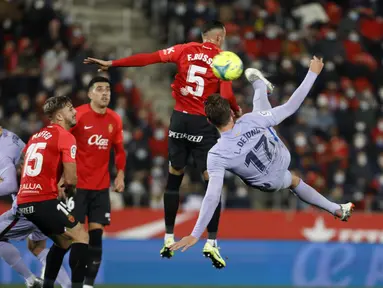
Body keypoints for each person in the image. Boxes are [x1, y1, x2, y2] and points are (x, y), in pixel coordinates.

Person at [84, 20, 242, 268]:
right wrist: (235, 110)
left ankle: (168, 238)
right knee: (212, 183)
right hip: (203, 125)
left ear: (202, 36)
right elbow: (227, 96)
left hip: (179, 122)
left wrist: (112, 64)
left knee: (174, 177)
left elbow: (147, 58)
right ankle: (211, 242)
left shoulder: (184, 50)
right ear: (220, 38)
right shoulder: (223, 58)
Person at [170, 57, 355, 253]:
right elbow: (291, 106)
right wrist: (312, 74)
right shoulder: (249, 120)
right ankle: (259, 84)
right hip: (282, 157)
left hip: (269, 183)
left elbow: (213, 196)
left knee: (291, 178)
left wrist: (195, 234)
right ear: (232, 113)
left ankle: (337, 210)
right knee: (261, 117)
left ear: (209, 121)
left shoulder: (216, 154)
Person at [17, 96, 89, 288]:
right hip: (43, 199)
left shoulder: (36, 136)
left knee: (63, 243)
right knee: (81, 236)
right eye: (70, 108)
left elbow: (23, 164)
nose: (75, 112)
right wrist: (69, 190)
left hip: (24, 201)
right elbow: (72, 179)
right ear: (59, 116)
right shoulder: (66, 136)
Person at [70, 76, 126, 288]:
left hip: (101, 187)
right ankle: (69, 280)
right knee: (74, 239)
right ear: (90, 93)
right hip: (77, 187)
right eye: (100, 89)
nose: (105, 93)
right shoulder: (78, 115)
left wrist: (120, 174)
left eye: (108, 90)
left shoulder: (114, 119)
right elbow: (62, 143)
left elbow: (119, 151)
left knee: (96, 237)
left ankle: (88, 285)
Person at [0, 128, 71, 288]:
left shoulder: (2, 153)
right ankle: (67, 285)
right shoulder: (10, 136)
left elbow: (10, 185)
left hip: (28, 203)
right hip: (45, 197)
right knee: (37, 247)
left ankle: (31, 281)